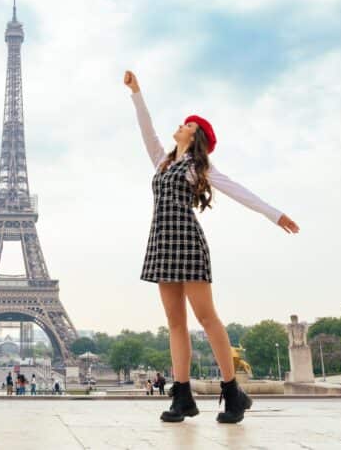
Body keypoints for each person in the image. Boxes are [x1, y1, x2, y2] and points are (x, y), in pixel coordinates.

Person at [124, 71, 299, 425]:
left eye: (186, 124)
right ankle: (182, 395)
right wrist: (137, 93)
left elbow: (238, 190)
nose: (180, 126)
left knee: (206, 317)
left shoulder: (200, 167)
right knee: (175, 323)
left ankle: (233, 391)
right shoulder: (163, 160)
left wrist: (274, 214)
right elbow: (147, 131)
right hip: (161, 242)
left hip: (187, 242)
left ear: (195, 134)